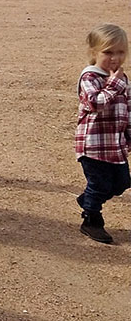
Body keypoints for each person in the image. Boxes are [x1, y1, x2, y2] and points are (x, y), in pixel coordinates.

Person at [74, 23, 129, 243]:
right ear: (94, 52)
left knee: (122, 182)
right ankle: (91, 220)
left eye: (120, 52)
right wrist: (115, 84)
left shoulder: (121, 79)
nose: (115, 58)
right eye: (108, 52)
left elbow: (128, 106)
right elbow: (95, 103)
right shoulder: (90, 77)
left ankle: (87, 199)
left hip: (115, 145)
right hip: (93, 145)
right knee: (100, 184)